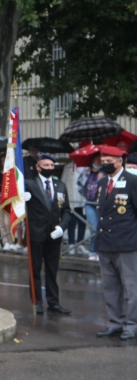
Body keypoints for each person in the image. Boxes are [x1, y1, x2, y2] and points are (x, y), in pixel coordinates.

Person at [94, 146, 137, 341]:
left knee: (130, 288)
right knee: (110, 287)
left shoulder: (132, 181)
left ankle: (131, 325)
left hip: (126, 244)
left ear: (120, 161)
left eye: (109, 160)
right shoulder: (102, 182)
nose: (105, 164)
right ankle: (115, 323)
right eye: (103, 161)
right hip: (105, 244)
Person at [24, 153, 72, 315]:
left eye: (52, 166)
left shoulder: (60, 185)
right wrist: (20, 198)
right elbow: (11, 200)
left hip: (54, 234)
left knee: (52, 269)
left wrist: (62, 227)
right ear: (38, 167)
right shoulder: (28, 184)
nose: (50, 168)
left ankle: (53, 302)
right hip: (35, 233)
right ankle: (37, 301)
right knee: (35, 268)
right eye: (46, 166)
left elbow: (66, 210)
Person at [78, 153, 104, 260]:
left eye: (100, 160)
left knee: (100, 227)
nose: (98, 161)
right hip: (89, 202)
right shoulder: (86, 172)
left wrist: (102, 179)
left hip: (101, 203)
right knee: (93, 228)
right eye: (96, 159)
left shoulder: (105, 173)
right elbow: (79, 184)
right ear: (92, 160)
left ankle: (100, 252)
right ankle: (93, 251)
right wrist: (85, 194)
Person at [61, 161, 88, 256]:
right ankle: (71, 244)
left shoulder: (88, 167)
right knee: (71, 223)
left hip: (83, 199)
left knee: (82, 223)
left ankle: (80, 244)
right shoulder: (68, 167)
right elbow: (62, 182)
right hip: (71, 198)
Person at [0, 154, 17, 251]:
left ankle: (11, 242)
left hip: (8, 200)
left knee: (8, 222)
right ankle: (5, 242)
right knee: (1, 223)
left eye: (5, 161)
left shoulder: (12, 173)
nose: (3, 163)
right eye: (1, 161)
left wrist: (0, 189)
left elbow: (12, 187)